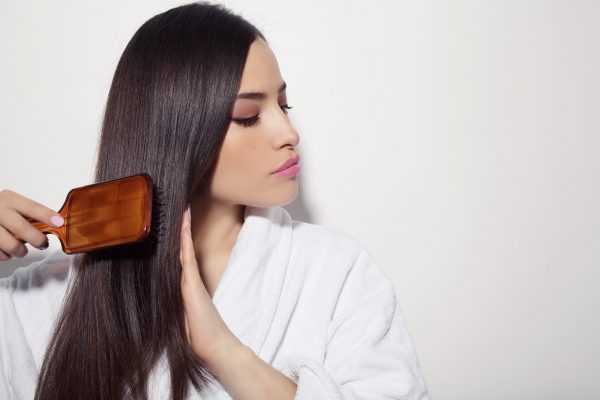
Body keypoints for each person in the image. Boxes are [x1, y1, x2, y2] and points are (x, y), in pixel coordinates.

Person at [0, 2, 429, 399]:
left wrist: (225, 352)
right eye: (248, 116)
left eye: (284, 104)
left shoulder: (336, 274)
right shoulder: (40, 301)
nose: (289, 133)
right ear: (176, 133)